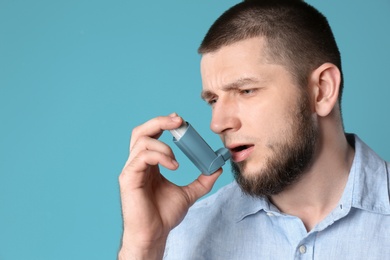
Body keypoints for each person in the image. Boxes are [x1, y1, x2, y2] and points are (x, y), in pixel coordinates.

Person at [118, 0, 390, 259]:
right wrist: (142, 248)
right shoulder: (181, 236)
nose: (218, 124)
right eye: (213, 100)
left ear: (322, 91)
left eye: (246, 90)